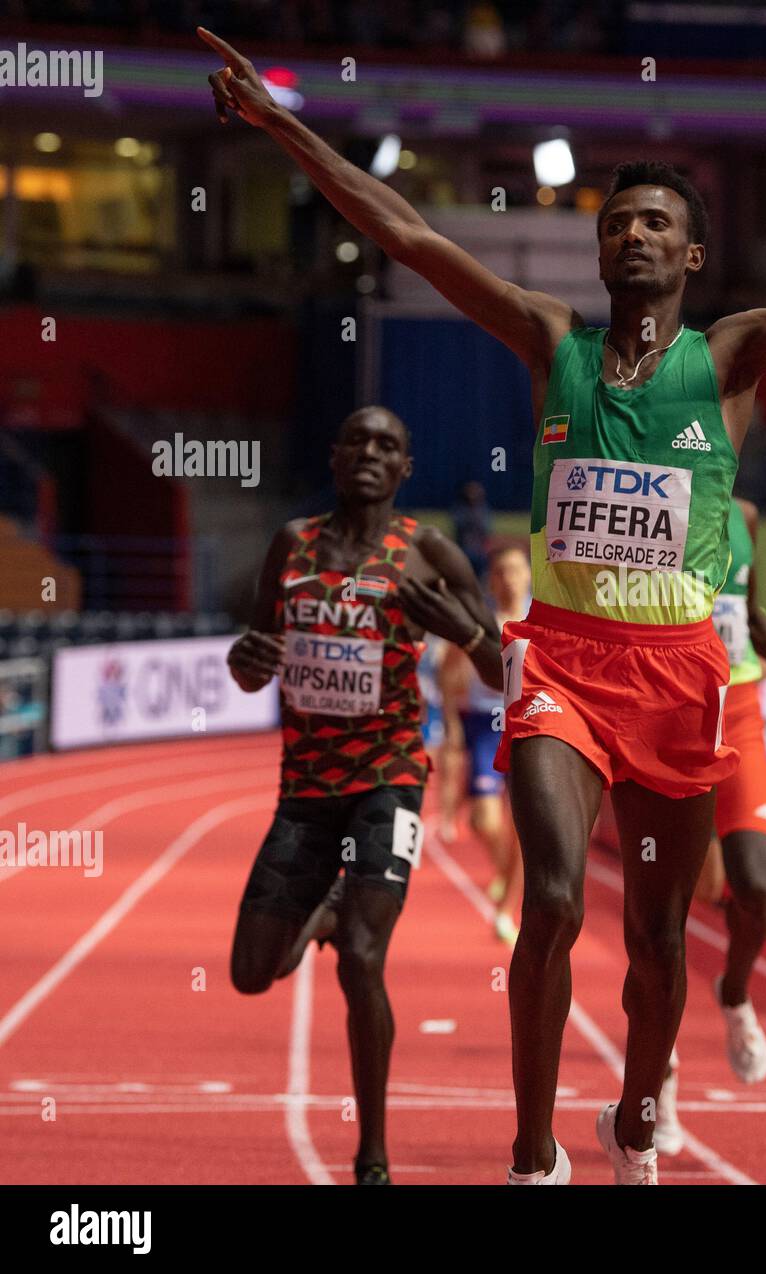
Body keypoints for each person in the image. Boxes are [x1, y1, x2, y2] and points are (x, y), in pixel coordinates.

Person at [201, 27, 766, 1184]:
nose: (634, 234)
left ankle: (636, 1108)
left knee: (657, 942)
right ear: (599, 252)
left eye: (656, 222)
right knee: (551, 896)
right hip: (561, 662)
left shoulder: (736, 355)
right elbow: (402, 230)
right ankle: (530, 1147)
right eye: (617, 222)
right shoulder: (549, 337)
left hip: (680, 680)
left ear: (691, 254)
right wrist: (279, 123)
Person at [226, 406, 500, 1185]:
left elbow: (497, 672)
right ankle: (326, 906)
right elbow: (254, 662)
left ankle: (372, 1154)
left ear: (406, 467)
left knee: (362, 959)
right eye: (358, 440)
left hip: (388, 782)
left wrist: (467, 631)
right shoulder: (292, 543)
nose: (371, 454)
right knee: (251, 971)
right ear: (335, 454)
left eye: (388, 445)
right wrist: (242, 660)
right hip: (305, 790)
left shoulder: (428, 549)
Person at [655, 498, 766, 1156]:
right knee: (667, 914)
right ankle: (663, 1078)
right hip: (671, 715)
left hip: (741, 712)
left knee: (756, 889)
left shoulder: (747, 515)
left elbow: (748, 610)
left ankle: (734, 992)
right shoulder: (648, 495)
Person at [439, 543, 531, 943]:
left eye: (515, 570)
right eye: (501, 572)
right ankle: (502, 868)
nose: (508, 579)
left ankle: (505, 912)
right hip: (483, 724)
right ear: (491, 580)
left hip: (530, 724)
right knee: (484, 821)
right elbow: (448, 670)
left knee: (527, 831)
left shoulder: (540, 618)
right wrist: (451, 724)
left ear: (529, 575)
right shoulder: (482, 620)